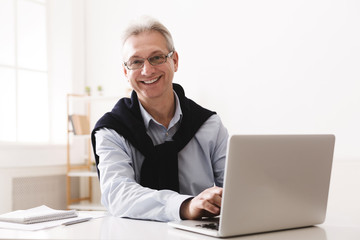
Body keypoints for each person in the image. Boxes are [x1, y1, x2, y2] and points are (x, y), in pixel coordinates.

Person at [91, 17, 228, 222]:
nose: (147, 70)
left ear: (175, 61)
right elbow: (118, 195)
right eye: (136, 61)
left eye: (157, 58)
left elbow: (234, 189)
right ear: (125, 71)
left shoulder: (210, 125)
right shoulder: (111, 131)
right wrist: (185, 206)